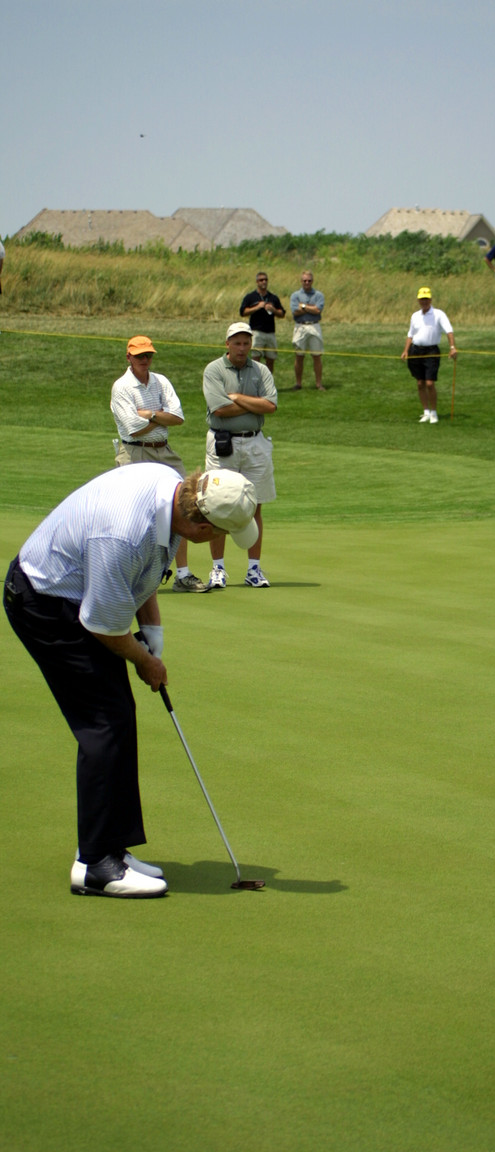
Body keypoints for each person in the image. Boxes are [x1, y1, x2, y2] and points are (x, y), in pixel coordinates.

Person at [3, 465, 260, 898]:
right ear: (200, 526)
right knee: (104, 722)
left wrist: (152, 632)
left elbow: (142, 575)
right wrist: (146, 662)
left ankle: (110, 849)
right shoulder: (124, 535)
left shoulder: (173, 494)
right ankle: (95, 866)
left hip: (77, 595)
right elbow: (102, 624)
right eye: (219, 534)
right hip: (46, 603)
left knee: (117, 715)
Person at [111, 335, 208, 591]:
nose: (145, 360)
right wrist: (161, 417)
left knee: (184, 507)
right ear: (129, 357)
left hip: (163, 451)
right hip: (135, 453)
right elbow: (132, 428)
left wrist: (149, 414)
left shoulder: (161, 381)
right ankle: (133, 575)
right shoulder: (121, 387)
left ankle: (183, 574)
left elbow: (178, 417)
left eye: (148, 355)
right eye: (139, 355)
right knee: (135, 516)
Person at [203, 321, 278, 588]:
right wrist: (254, 404)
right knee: (216, 505)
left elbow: (271, 405)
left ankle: (254, 569)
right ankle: (218, 569)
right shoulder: (214, 370)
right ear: (228, 344)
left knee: (255, 505)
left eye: (246, 343)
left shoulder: (260, 370)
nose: (242, 348)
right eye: (237, 343)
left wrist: (235, 397)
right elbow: (219, 409)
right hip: (223, 443)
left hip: (255, 443)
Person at [401, 287, 458, 424]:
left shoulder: (439, 314)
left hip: (431, 351)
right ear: (418, 300)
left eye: (426, 299)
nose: (424, 301)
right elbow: (410, 334)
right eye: (422, 299)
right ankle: (426, 412)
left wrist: (452, 347)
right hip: (416, 351)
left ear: (430, 299)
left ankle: (433, 412)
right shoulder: (415, 316)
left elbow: (449, 331)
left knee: (430, 383)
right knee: (420, 383)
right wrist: (406, 350)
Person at [239, 271, 286, 374]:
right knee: (256, 359)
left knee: (271, 360)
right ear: (257, 282)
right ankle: (255, 381)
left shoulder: (273, 297)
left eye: (265, 280)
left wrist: (273, 309)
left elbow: (282, 313)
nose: (264, 282)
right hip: (256, 332)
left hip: (270, 333)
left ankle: (268, 381)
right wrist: (257, 307)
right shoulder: (251, 297)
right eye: (261, 280)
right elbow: (243, 312)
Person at [290, 270, 325, 390]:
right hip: (300, 326)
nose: (307, 283)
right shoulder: (295, 295)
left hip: (314, 326)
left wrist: (303, 306)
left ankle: (319, 384)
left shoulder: (319, 295)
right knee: (299, 356)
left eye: (309, 280)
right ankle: (298, 383)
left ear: (312, 281)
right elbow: (295, 311)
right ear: (301, 281)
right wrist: (311, 308)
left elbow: (318, 310)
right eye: (305, 280)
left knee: (317, 356)